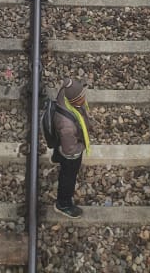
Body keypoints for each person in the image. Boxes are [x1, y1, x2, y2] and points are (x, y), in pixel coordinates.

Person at [51, 77, 91, 218]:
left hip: (64, 142)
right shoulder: (67, 126)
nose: (84, 99)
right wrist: (80, 146)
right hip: (70, 155)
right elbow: (70, 150)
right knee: (68, 177)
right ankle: (63, 204)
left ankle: (56, 155)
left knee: (66, 168)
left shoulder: (65, 94)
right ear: (73, 101)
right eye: (80, 98)